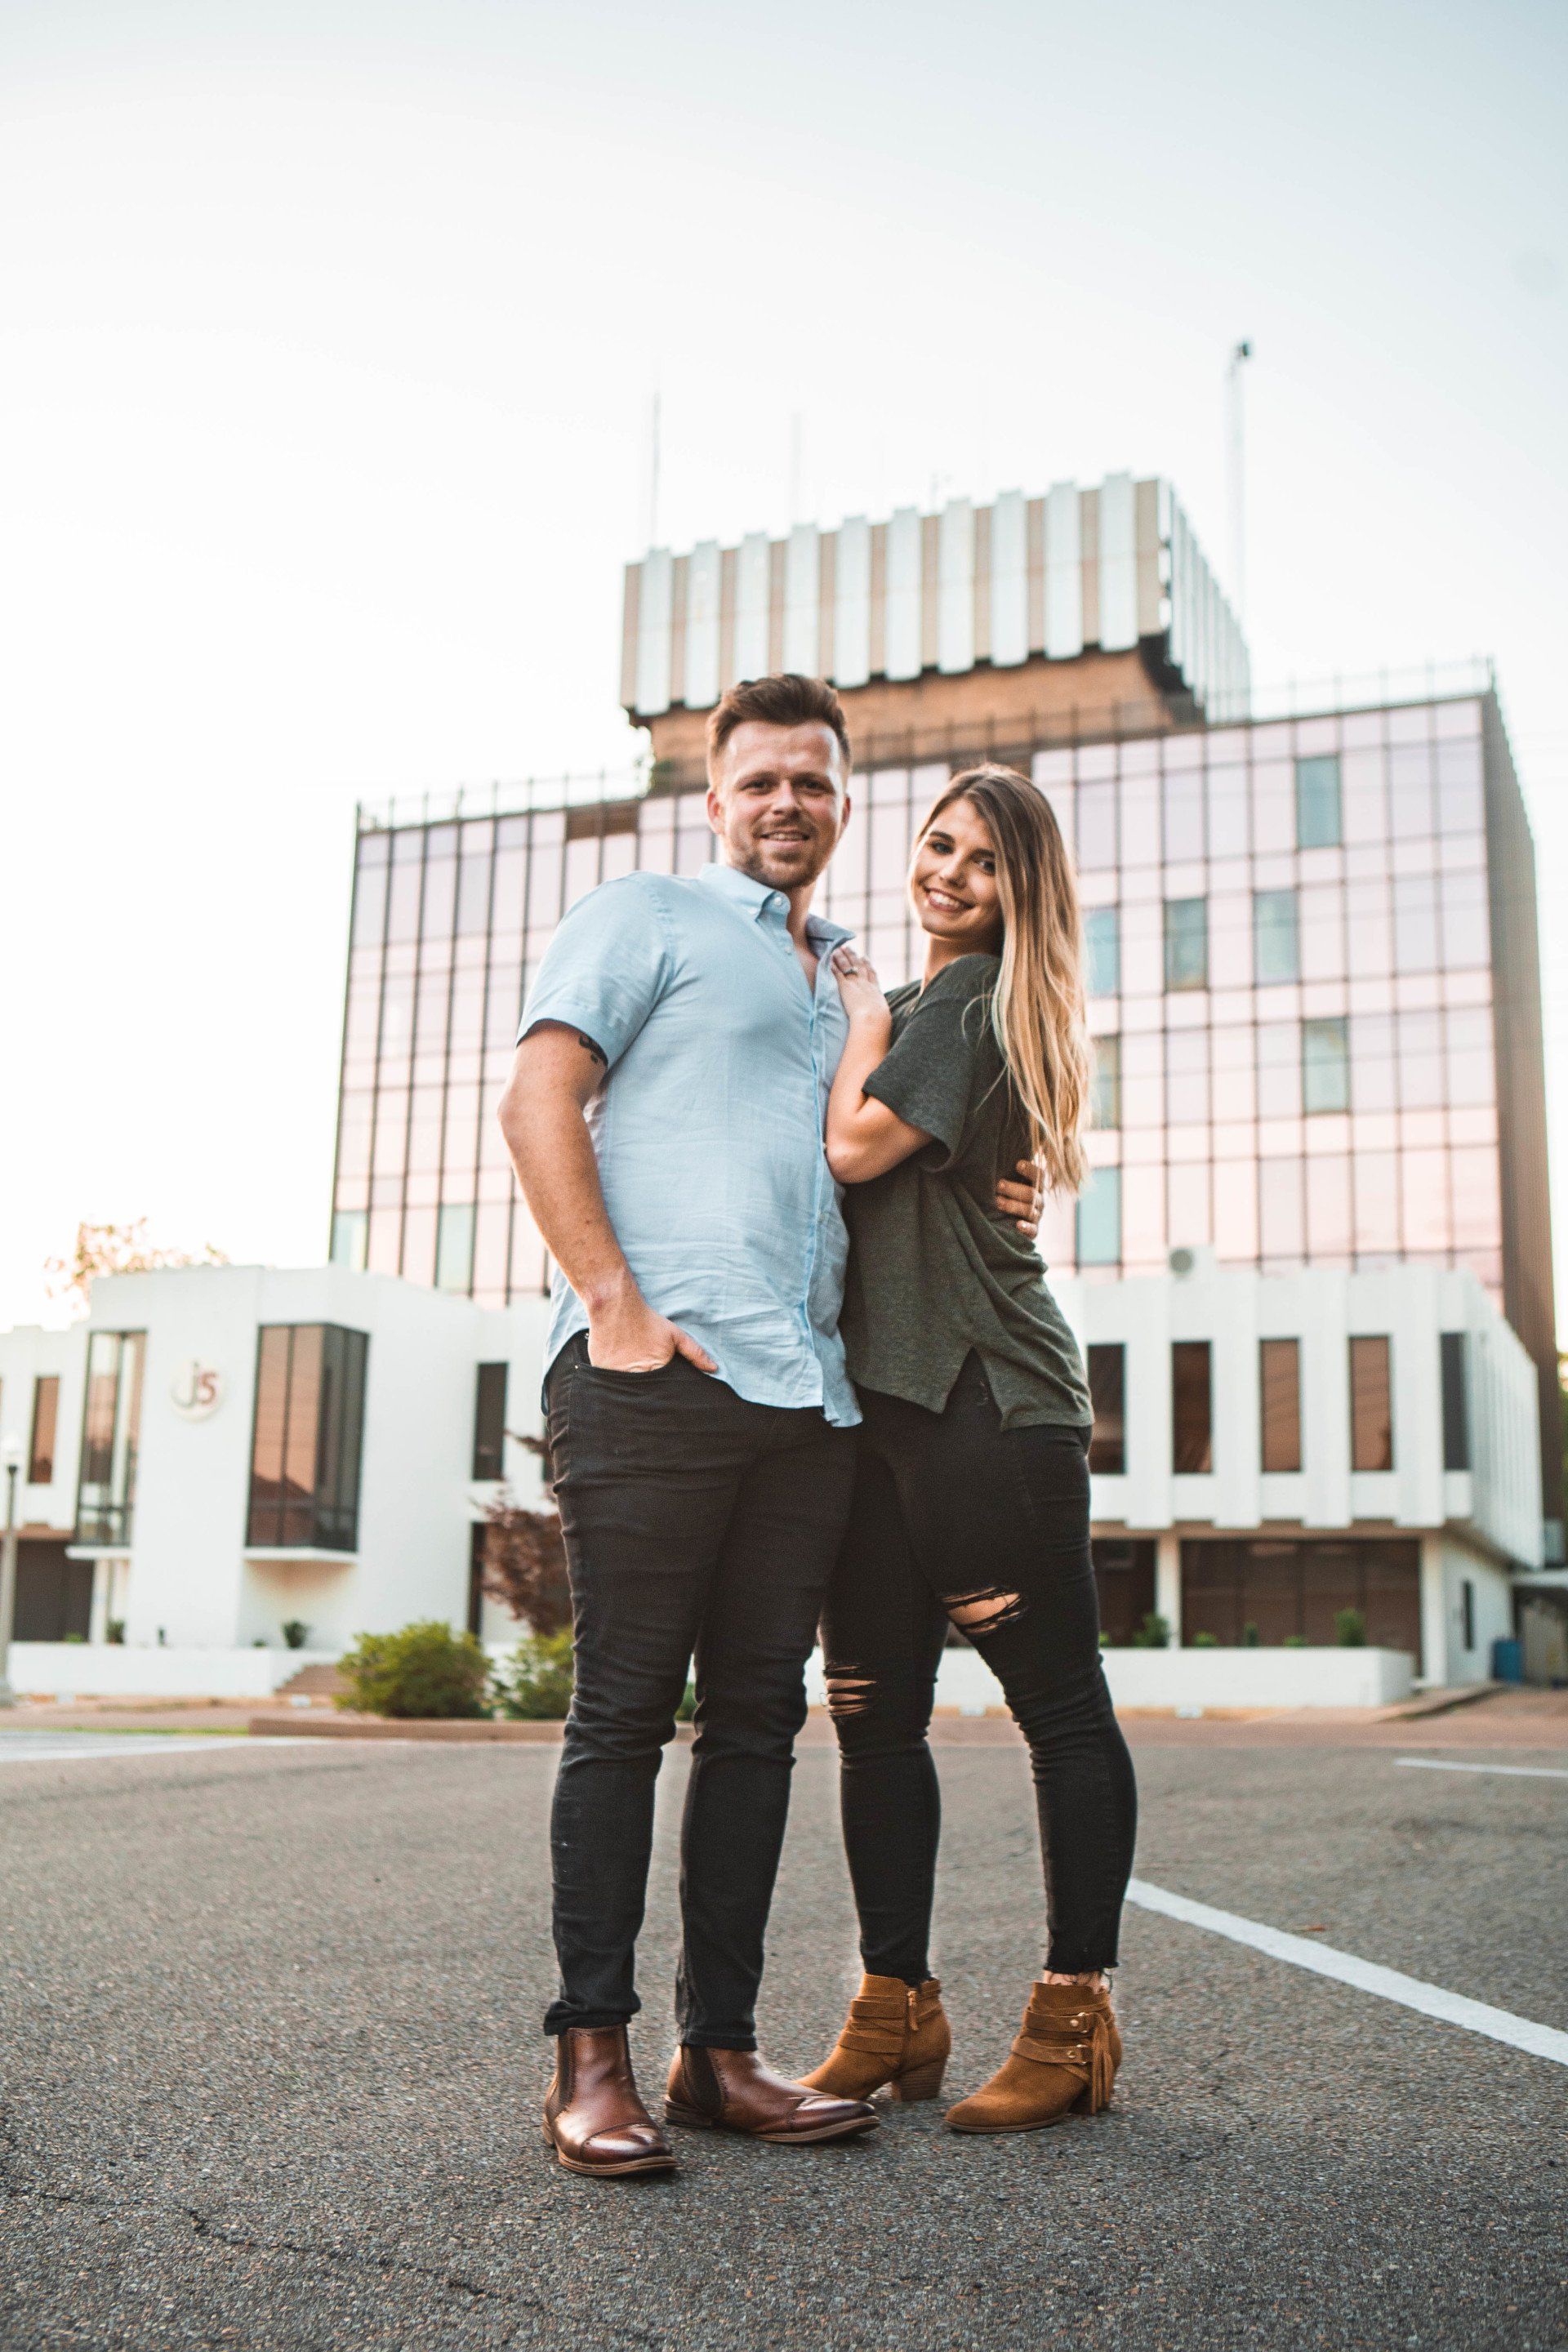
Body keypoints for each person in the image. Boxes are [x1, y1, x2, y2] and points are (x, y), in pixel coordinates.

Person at [497, 679, 1042, 2177]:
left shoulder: (840, 982)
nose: (787, 803)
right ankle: (590, 2058)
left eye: (813, 780)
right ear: (716, 795)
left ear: (841, 800)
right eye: (760, 782)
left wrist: (1006, 1185)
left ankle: (716, 2052)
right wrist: (610, 1300)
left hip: (807, 1400)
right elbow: (540, 1094)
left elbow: (882, 1153)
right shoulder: (646, 914)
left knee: (752, 1731)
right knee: (622, 1716)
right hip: (652, 1373)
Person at [802, 764, 1138, 2135]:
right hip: (883, 1410)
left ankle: (1073, 2024)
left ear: (1022, 893)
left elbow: (848, 1151)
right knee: (873, 1713)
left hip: (987, 1403)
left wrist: (863, 1003)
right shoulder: (963, 1010)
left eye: (986, 861)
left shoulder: (958, 1002)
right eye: (938, 845)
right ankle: (894, 2010)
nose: (949, 872)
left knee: (1057, 1704)